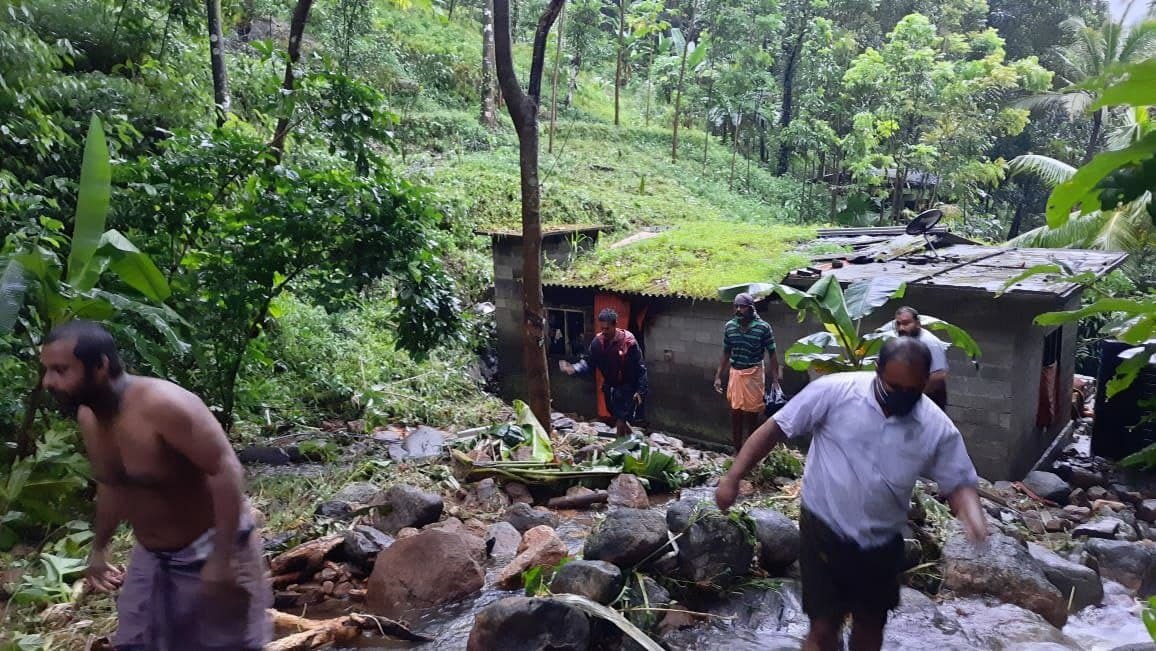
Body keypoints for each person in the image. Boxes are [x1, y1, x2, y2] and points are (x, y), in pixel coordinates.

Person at [715, 337, 987, 651]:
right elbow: (775, 428)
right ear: (878, 371)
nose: (900, 396)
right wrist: (733, 477)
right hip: (824, 529)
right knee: (823, 627)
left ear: (925, 382)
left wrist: (973, 515)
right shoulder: (834, 392)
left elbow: (959, 482)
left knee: (870, 624)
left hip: (881, 541)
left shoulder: (936, 426)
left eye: (911, 390)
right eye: (893, 387)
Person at [39, 320, 272, 650]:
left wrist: (223, 559)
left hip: (210, 547)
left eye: (61, 370)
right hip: (151, 556)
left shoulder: (164, 405)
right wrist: (100, 549)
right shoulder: (89, 416)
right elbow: (110, 484)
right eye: (47, 370)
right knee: (136, 642)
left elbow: (225, 470)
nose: (48, 381)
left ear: (100, 366)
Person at [560, 308, 648, 437]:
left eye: (607, 328)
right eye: (602, 329)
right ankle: (633, 439)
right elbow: (589, 362)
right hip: (610, 386)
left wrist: (641, 390)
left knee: (621, 418)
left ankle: (619, 444)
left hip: (628, 386)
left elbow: (640, 367)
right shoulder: (598, 343)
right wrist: (575, 368)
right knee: (616, 414)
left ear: (615, 325)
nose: (604, 332)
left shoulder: (628, 342)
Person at [714, 293, 781, 451]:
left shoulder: (763, 328)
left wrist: (775, 379)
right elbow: (726, 352)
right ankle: (737, 452)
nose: (739, 309)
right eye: (736, 306)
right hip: (736, 374)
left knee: (752, 415)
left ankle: (750, 453)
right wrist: (718, 376)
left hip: (754, 374)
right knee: (735, 414)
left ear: (751, 308)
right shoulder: (730, 326)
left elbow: (772, 354)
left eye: (742, 306)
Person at [894, 306, 949, 409]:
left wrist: (917, 396)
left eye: (906, 323)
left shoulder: (930, 343)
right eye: (898, 324)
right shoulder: (905, 339)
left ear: (918, 323)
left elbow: (939, 375)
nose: (901, 328)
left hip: (930, 397)